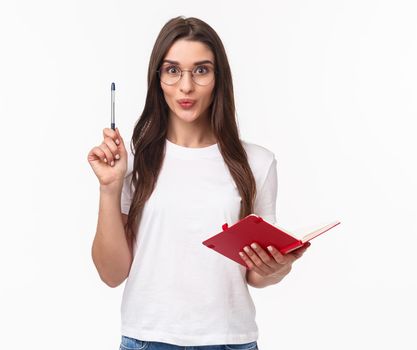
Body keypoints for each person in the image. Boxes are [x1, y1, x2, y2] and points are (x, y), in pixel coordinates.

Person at [88, 15, 311, 350]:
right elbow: (111, 274)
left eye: (201, 70)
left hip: (229, 340)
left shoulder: (257, 163)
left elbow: (255, 275)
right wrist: (109, 188)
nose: (186, 86)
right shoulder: (133, 163)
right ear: (158, 78)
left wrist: (276, 269)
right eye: (173, 70)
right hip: (148, 339)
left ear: (218, 78)